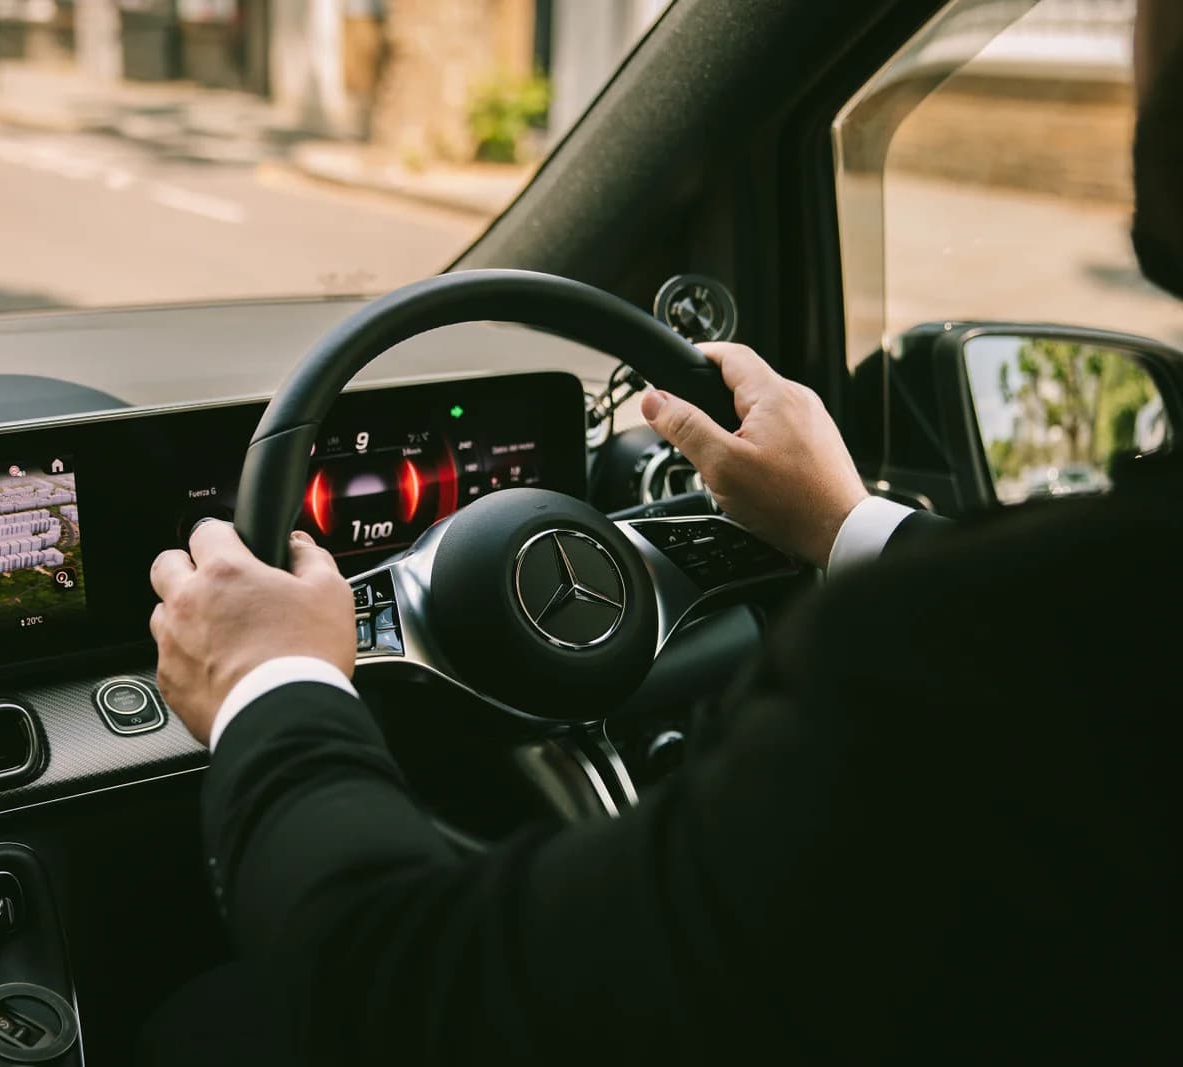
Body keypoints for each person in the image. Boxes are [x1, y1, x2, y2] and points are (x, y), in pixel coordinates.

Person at [142, 3, 1183, 1063]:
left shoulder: (944, 659)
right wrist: (843, 521)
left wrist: (269, 681)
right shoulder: (1064, 638)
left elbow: (400, 989)